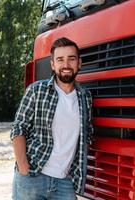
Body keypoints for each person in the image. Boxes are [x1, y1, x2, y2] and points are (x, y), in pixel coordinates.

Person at [10, 37, 93, 200]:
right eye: (60, 59)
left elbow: (87, 135)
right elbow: (18, 128)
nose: (66, 65)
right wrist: (23, 168)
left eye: (71, 59)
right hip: (33, 177)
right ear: (53, 64)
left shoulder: (85, 97)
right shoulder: (37, 90)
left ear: (79, 63)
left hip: (65, 182)